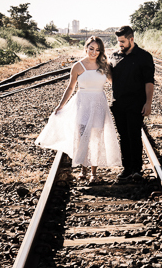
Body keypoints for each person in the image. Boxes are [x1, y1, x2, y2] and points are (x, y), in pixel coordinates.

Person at [35, 36, 121, 184]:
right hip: (82, 104)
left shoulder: (104, 66)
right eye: (91, 48)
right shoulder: (78, 66)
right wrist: (61, 105)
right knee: (82, 138)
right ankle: (83, 170)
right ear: (86, 47)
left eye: (97, 50)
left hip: (99, 104)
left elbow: (115, 84)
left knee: (96, 139)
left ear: (101, 52)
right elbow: (70, 87)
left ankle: (94, 173)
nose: (94, 52)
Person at [110, 25, 155, 182]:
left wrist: (148, 103)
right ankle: (127, 169)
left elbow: (149, 82)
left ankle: (136, 170)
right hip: (118, 104)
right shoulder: (114, 56)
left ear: (131, 39)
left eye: (122, 41)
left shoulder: (144, 57)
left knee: (134, 135)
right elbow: (111, 78)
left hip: (136, 103)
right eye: (118, 42)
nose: (120, 44)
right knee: (123, 137)